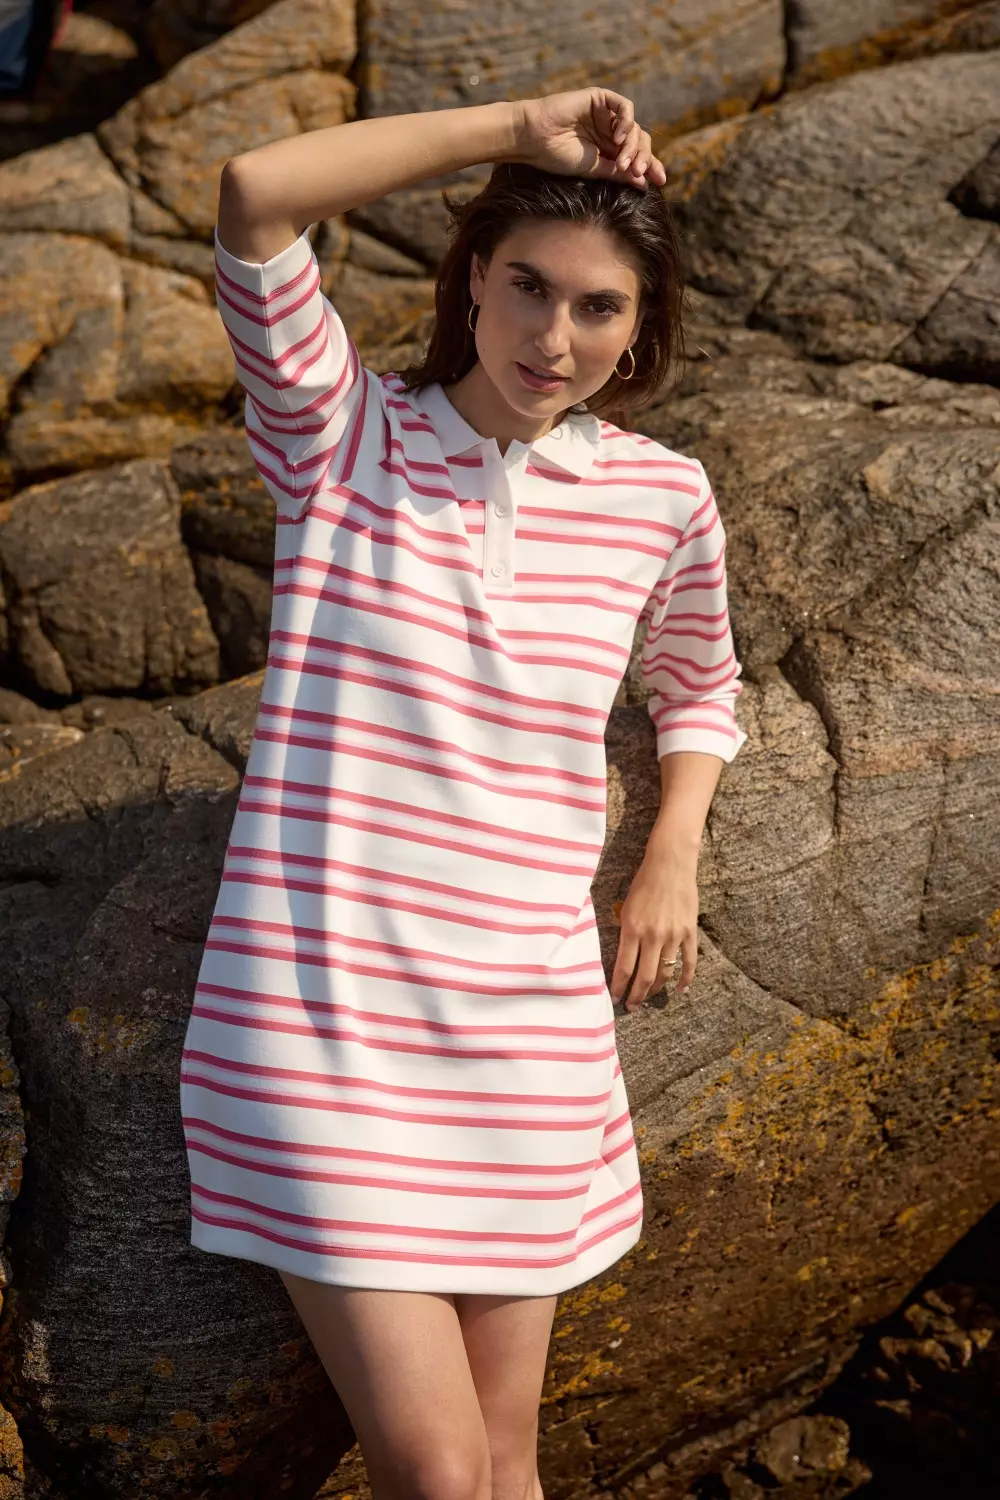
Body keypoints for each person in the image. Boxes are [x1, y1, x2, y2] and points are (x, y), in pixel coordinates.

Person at [180, 87, 748, 1500]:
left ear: (641, 328)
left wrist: (671, 855)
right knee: (437, 1471)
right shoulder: (340, 435)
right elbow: (255, 193)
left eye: (600, 308)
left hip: (526, 1022)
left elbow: (700, 686)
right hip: (322, 1021)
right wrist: (516, 127)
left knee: (505, 1463)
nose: (555, 338)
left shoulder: (661, 496)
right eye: (528, 287)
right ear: (474, 281)